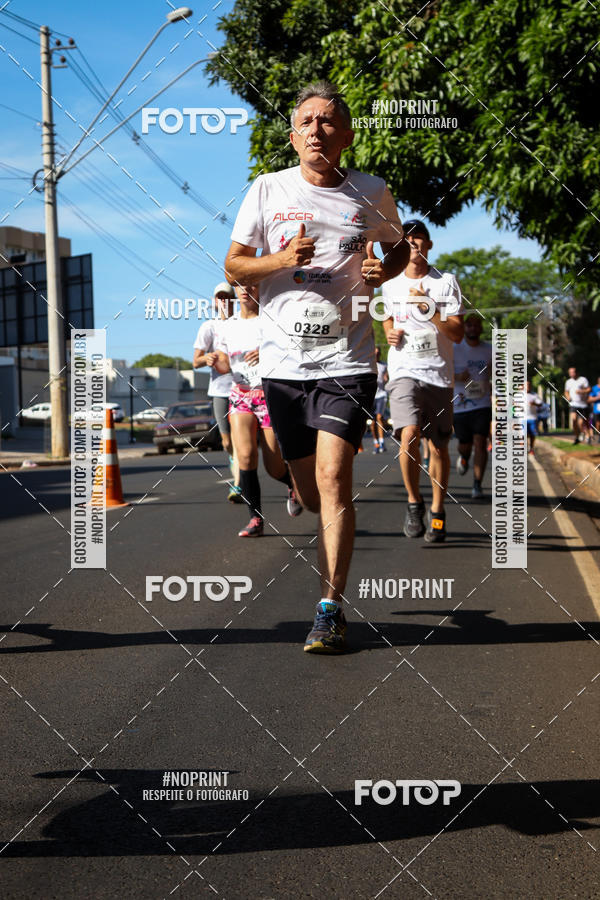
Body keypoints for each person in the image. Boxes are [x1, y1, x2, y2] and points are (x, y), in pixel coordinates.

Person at [224, 80, 408, 652]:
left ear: (347, 135)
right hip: (282, 365)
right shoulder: (267, 189)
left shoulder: (372, 192)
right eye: (306, 121)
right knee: (302, 478)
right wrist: (280, 260)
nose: (316, 130)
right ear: (293, 135)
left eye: (328, 121)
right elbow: (234, 267)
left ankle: (330, 607)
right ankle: (286, 482)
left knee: (334, 478)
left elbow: (399, 247)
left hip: (347, 358)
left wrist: (387, 270)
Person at [382, 219, 464, 541]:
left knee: (439, 448)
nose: (414, 245)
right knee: (409, 433)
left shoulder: (445, 283)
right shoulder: (390, 285)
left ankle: (438, 509)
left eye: (419, 240)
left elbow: (456, 333)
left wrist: (429, 308)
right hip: (404, 371)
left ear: (429, 246)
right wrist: (389, 332)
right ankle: (414, 502)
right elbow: (387, 319)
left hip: (439, 376)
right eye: (408, 241)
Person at [214, 285, 302, 536]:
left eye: (251, 284)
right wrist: (215, 360)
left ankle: (293, 485)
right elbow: (223, 362)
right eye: (240, 284)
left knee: (274, 465)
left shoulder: (270, 320)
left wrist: (265, 353)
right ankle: (256, 519)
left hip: (269, 395)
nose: (245, 289)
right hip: (240, 395)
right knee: (245, 457)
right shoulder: (227, 325)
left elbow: (291, 351)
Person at [193, 282, 241, 501]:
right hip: (219, 391)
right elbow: (196, 362)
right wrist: (207, 358)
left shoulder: (242, 323)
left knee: (240, 440)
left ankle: (239, 485)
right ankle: (237, 466)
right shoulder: (208, 327)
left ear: (234, 300)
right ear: (214, 301)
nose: (224, 301)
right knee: (228, 442)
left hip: (242, 388)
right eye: (220, 298)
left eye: (227, 297)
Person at [453, 313, 493, 499]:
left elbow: (499, 373)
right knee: (465, 445)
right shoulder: (454, 348)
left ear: (481, 328)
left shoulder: (490, 349)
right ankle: (464, 457)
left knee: (480, 441)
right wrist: (457, 377)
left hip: (482, 404)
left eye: (476, 325)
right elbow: (441, 373)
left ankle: (477, 484)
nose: (473, 329)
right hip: (459, 404)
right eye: (469, 325)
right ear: (464, 328)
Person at [564, 366, 590, 444]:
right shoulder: (568, 382)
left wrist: (582, 391)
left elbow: (589, 389)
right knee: (574, 419)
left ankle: (585, 434)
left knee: (581, 423)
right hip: (573, 404)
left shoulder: (583, 380)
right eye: (570, 372)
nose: (571, 374)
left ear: (577, 372)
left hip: (582, 404)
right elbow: (566, 391)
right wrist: (567, 397)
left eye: (573, 372)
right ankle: (577, 437)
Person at [371, 347, 389, 453]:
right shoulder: (369, 364)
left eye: (378, 353)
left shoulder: (384, 365)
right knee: (372, 423)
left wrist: (386, 378)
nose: (377, 355)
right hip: (371, 396)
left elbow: (387, 378)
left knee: (379, 417)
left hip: (381, 395)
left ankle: (382, 442)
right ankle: (376, 442)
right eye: (375, 353)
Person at [526, 380, 543, 454]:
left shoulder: (534, 395)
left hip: (533, 418)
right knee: (524, 434)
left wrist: (534, 403)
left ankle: (531, 448)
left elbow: (540, 404)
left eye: (529, 385)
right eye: (526, 385)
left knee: (532, 434)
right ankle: (525, 447)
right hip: (522, 418)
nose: (528, 387)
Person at [588, 376, 600, 442]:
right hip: (597, 409)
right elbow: (589, 399)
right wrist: (597, 398)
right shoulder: (594, 388)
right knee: (598, 424)